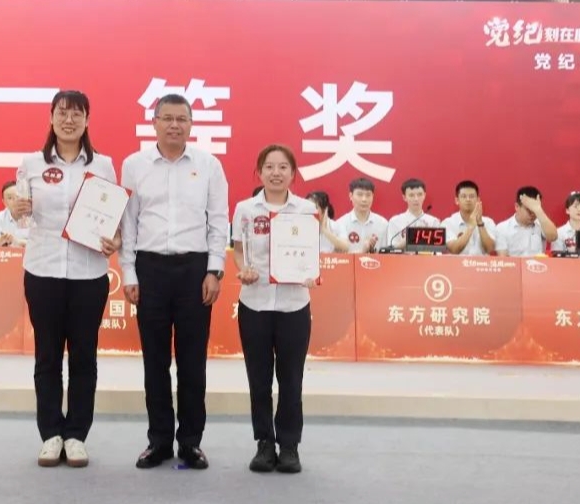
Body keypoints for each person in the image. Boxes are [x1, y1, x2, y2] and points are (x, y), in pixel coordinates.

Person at [120, 93, 229, 470]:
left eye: (181, 119)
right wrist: (129, 272)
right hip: (149, 268)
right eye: (167, 118)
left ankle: (191, 442)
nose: (174, 125)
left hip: (194, 270)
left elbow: (219, 220)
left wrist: (214, 270)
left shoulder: (208, 165)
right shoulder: (134, 165)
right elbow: (128, 222)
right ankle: (159, 441)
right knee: (154, 361)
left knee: (192, 362)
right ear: (154, 123)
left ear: (191, 124)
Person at [13, 90, 119, 468]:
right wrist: (18, 210)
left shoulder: (103, 165)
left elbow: (114, 220)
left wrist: (115, 240)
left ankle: (76, 435)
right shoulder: (31, 164)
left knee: (84, 357)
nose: (69, 120)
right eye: (62, 113)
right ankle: (50, 434)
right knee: (47, 356)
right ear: (51, 117)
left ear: (87, 120)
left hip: (89, 274)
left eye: (77, 114)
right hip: (43, 270)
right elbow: (21, 219)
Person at [231, 145, 316, 474]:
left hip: (294, 305)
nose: (276, 173)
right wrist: (243, 269)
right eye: (269, 167)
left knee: (291, 380)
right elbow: (239, 250)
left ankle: (290, 445)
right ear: (260, 172)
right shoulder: (245, 209)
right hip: (255, 302)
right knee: (259, 378)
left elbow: (310, 253)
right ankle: (264, 443)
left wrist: (310, 273)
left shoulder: (306, 209)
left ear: (293, 173)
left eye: (283, 167)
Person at [495, 186, 558, 257]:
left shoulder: (541, 224)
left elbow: (553, 237)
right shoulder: (502, 228)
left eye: (534, 210)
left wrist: (538, 210)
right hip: (514, 264)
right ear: (517, 206)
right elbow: (503, 258)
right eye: (529, 210)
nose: (532, 214)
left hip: (537, 263)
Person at [334, 178, 388, 253]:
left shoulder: (383, 223)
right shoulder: (340, 224)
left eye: (368, 195)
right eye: (359, 194)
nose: (364, 199)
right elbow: (337, 256)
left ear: (373, 196)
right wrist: (362, 251)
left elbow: (388, 253)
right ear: (351, 196)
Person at [443, 180, 496, 256]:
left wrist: (480, 223)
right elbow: (454, 249)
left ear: (478, 200)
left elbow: (489, 249)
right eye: (464, 196)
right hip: (457, 263)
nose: (468, 199)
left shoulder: (488, 222)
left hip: (480, 263)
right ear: (457, 200)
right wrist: (470, 227)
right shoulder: (448, 223)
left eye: (471, 196)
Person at [385, 178, 441, 249]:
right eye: (411, 195)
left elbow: (437, 251)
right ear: (404, 197)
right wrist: (405, 242)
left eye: (420, 194)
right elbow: (390, 250)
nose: (416, 199)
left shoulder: (433, 222)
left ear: (424, 195)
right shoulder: (395, 221)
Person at [0, 181, 29, 247]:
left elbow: (43, 242)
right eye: (10, 198)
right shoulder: (0, 216)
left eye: (18, 196)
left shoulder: (35, 215)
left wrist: (20, 242)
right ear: (4, 202)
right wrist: (0, 240)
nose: (15, 200)